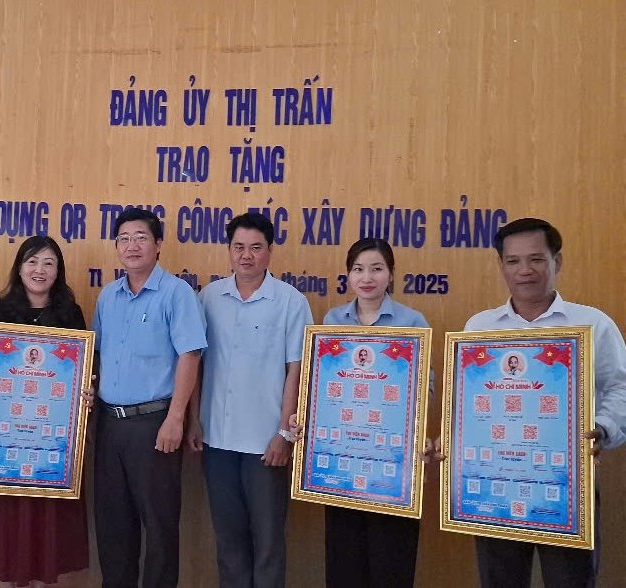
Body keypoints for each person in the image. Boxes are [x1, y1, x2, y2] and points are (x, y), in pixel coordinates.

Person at [463, 218, 626, 587]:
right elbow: (468, 403)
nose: (525, 270)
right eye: (513, 261)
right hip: (496, 484)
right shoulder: (479, 328)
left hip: (565, 486)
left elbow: (620, 387)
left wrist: (602, 428)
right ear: (501, 265)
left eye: (536, 259)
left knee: (570, 579)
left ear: (557, 261)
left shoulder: (592, 324)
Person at [292, 238, 430, 587]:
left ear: (391, 274)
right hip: (343, 458)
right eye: (358, 269)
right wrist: (305, 414)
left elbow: (424, 385)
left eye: (376, 269)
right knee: (345, 559)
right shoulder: (333, 319)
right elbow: (321, 382)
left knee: (390, 559)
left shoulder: (412, 321)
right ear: (348, 275)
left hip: (392, 462)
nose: (367, 278)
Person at [187, 213, 312, 587]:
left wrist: (284, 434)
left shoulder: (290, 302)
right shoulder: (208, 298)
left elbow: (296, 370)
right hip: (217, 440)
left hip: (265, 444)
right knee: (229, 542)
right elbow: (195, 365)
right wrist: (193, 420)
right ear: (228, 250)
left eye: (256, 247)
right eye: (239, 247)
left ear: (270, 252)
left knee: (268, 543)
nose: (246, 255)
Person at [0, 235, 91, 586]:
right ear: (19, 268)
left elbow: (84, 372)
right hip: (3, 442)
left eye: (49, 263)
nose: (39, 270)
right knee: (5, 530)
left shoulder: (70, 314)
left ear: (58, 271)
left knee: (46, 529)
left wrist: (87, 394)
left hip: (50, 444)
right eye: (32, 261)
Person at [92, 208, 207, 587]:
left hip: (154, 424)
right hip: (109, 425)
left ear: (158, 244)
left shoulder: (177, 293)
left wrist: (176, 418)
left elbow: (190, 356)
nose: (132, 246)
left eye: (141, 237)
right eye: (124, 238)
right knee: (113, 526)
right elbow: (96, 355)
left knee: (159, 527)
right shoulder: (108, 297)